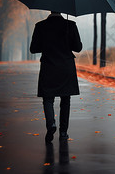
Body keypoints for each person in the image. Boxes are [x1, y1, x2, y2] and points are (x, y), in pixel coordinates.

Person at [30, 11, 82, 143]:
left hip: (48, 66)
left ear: (50, 10)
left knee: (48, 99)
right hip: (66, 67)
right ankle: (63, 132)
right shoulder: (70, 25)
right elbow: (78, 47)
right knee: (65, 100)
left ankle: (51, 124)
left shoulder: (40, 26)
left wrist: (47, 44)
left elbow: (33, 48)